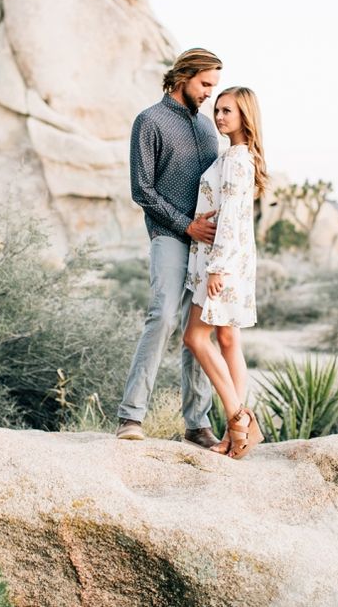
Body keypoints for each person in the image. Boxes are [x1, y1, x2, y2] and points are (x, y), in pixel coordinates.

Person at [116, 48, 223, 448]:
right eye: (205, 84)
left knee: (199, 331)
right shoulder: (150, 121)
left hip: (207, 246)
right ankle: (131, 416)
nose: (211, 93)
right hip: (169, 236)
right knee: (162, 316)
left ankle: (197, 425)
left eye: (214, 85)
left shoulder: (209, 129)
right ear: (183, 76)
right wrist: (186, 225)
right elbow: (141, 189)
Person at [183, 87, 268, 459]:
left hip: (222, 263)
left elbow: (232, 217)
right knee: (228, 341)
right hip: (235, 261)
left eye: (227, 111)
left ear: (244, 115)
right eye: (217, 110)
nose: (219, 117)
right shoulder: (238, 156)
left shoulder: (235, 159)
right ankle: (236, 434)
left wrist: (216, 268)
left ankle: (239, 421)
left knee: (195, 339)